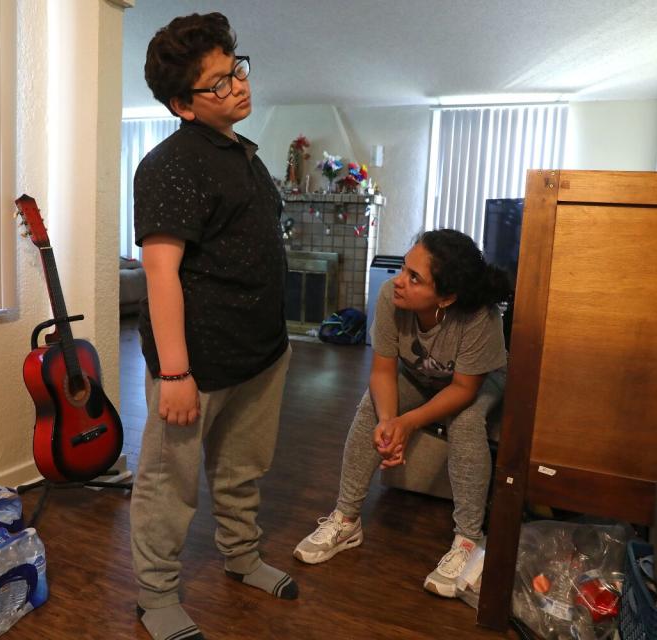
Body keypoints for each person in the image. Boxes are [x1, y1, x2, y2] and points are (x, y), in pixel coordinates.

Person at [129, 13, 296, 640]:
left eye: (237, 71)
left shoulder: (241, 154)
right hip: (196, 363)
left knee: (242, 468)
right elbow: (161, 274)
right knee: (169, 487)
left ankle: (241, 556)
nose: (238, 88)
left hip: (261, 352)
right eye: (219, 84)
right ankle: (154, 595)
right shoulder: (171, 165)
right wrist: (173, 372)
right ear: (183, 105)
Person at [293, 229, 511, 598]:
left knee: (467, 420)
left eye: (414, 277)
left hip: (474, 381)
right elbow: (382, 371)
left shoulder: (478, 317)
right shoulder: (389, 298)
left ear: (446, 297)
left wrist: (407, 424)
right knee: (369, 408)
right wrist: (388, 424)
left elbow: (463, 389)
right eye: (403, 268)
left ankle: (470, 541)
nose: (398, 281)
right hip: (417, 374)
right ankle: (346, 520)